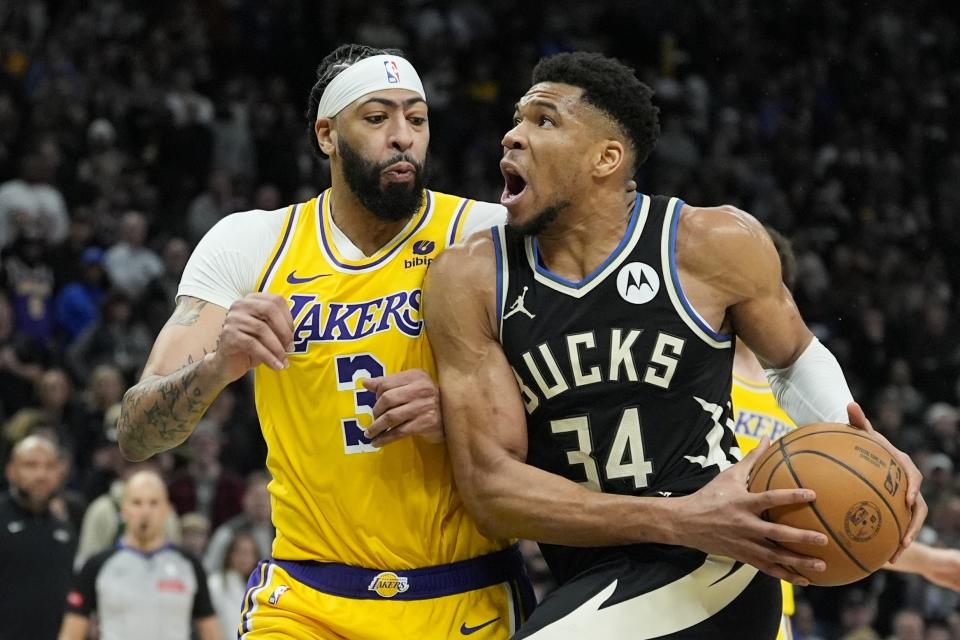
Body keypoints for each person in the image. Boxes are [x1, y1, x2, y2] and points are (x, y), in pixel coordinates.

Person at [423, 51, 926, 639]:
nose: (511, 135)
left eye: (544, 120)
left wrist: (872, 452)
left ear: (605, 158)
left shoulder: (710, 243)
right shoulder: (472, 279)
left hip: (717, 561)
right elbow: (493, 490)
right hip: (603, 564)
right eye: (516, 118)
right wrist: (678, 518)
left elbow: (793, 359)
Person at [117, 44, 534, 639]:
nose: (402, 137)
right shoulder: (252, 244)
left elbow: (570, 413)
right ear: (326, 135)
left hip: (464, 592)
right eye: (377, 117)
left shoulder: (484, 235)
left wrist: (462, 414)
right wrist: (217, 365)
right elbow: (136, 430)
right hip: (308, 604)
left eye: (416, 119)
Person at [733, 228, 960, 640]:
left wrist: (928, 561)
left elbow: (840, 522)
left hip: (764, 603)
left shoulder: (806, 395)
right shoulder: (692, 381)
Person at [58, 470, 221, 640]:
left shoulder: (189, 565)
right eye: (137, 502)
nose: (145, 511)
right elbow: (70, 634)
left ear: (167, 510)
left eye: (153, 503)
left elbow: (212, 632)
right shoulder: (96, 566)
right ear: (124, 510)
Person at [0, 435, 76, 640]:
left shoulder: (65, 529)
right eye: (30, 465)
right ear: (11, 472)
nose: (41, 475)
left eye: (49, 466)